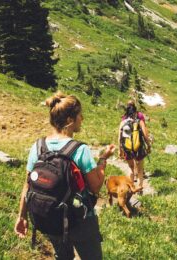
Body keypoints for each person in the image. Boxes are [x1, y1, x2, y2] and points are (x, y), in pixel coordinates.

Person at [15, 91, 115, 260]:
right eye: (79, 115)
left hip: (50, 217)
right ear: (70, 121)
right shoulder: (79, 149)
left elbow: (27, 185)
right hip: (80, 219)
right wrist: (103, 159)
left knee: (63, 257)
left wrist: (21, 216)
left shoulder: (38, 146)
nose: (82, 119)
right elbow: (96, 186)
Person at [118, 101, 151, 189]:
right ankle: (139, 188)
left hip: (127, 148)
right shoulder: (139, 121)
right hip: (138, 147)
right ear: (135, 110)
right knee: (140, 170)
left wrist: (120, 150)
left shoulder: (123, 122)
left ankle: (131, 188)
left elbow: (119, 138)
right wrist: (148, 146)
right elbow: (145, 135)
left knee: (130, 168)